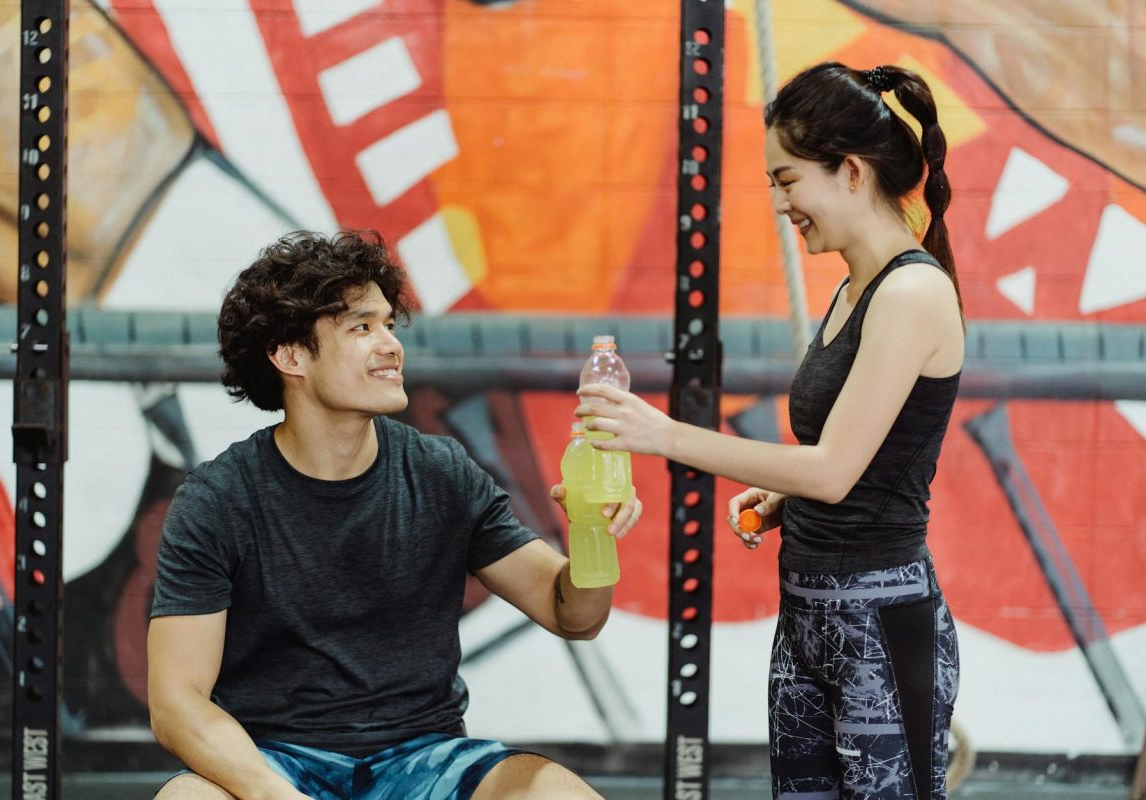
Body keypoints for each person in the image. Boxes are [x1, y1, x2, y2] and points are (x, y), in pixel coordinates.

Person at [576, 62, 963, 800]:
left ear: (850, 171)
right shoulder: (853, 288)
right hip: (810, 614)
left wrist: (663, 435)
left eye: (788, 181)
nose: (781, 202)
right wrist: (790, 494)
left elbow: (833, 470)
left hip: (877, 623)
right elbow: (858, 460)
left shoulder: (911, 291)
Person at [147, 229, 642, 800]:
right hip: (272, 760)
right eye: (361, 327)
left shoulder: (441, 471)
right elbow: (176, 700)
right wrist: (274, 794)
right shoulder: (218, 499)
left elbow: (572, 614)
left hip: (427, 757)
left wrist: (591, 533)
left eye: (388, 324)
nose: (390, 344)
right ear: (289, 355)